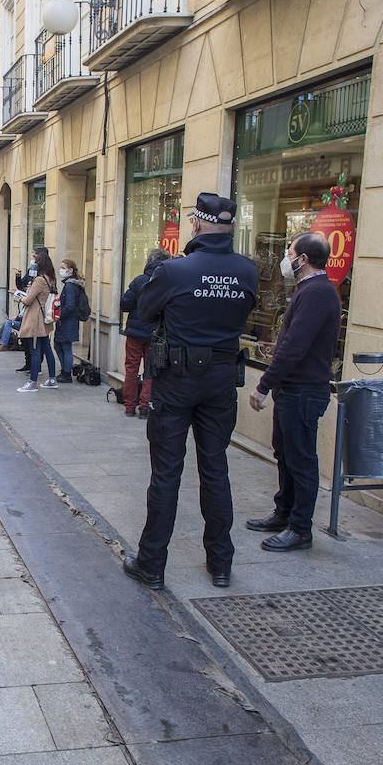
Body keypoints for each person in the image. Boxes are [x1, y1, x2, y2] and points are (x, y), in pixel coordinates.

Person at [124, 192, 258, 591]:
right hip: (220, 380)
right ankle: (221, 564)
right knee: (215, 469)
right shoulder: (247, 271)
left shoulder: (176, 271)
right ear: (231, 227)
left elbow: (143, 311)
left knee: (166, 474)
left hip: (177, 380)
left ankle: (151, 564)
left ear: (196, 225)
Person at [246, 232, 342, 552]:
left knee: (300, 460)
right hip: (293, 390)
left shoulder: (317, 293)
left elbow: (293, 346)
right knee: (285, 455)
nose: (285, 260)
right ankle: (284, 513)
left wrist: (263, 384)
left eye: (290, 253)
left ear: (303, 259)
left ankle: (300, 528)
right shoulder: (308, 290)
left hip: (303, 391)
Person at [119, 249, 169, 418]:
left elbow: (124, 304)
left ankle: (129, 406)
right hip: (155, 333)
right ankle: (145, 406)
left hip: (135, 331)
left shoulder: (139, 281)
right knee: (150, 370)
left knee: (131, 369)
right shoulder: (166, 283)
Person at [15, 247, 59, 392]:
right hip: (45, 318)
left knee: (35, 350)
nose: (32, 262)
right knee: (47, 349)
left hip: (36, 319)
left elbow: (28, 300)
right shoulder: (50, 278)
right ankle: (52, 379)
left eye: (34, 259)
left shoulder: (40, 280)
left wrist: (20, 297)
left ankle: (32, 382)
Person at [54, 258, 86, 384]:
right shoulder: (72, 283)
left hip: (68, 321)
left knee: (65, 346)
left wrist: (59, 316)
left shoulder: (70, 285)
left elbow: (70, 305)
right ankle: (65, 370)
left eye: (63, 267)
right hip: (68, 320)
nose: (61, 270)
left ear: (70, 270)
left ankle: (66, 373)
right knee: (59, 345)